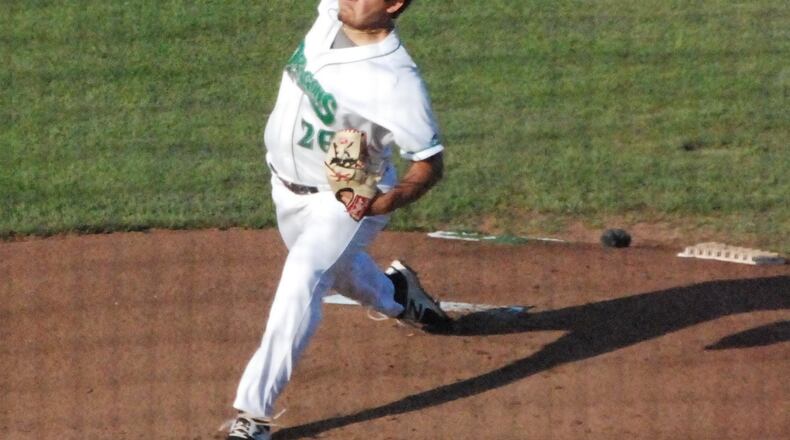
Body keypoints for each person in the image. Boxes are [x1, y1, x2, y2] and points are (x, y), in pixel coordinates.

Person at [226, 1, 448, 439]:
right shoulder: (334, 11)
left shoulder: (397, 81)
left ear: (393, 5)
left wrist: (388, 201)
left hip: (345, 203)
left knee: (304, 275)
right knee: (338, 272)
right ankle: (400, 296)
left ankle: (253, 415)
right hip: (284, 187)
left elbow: (429, 163)